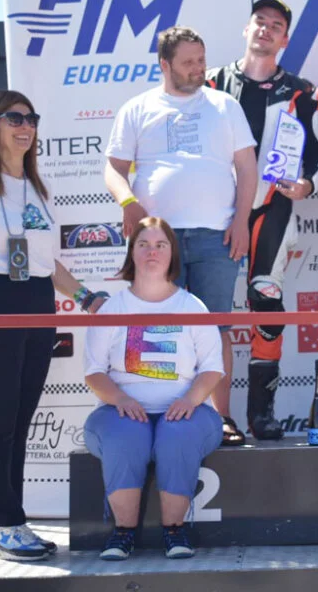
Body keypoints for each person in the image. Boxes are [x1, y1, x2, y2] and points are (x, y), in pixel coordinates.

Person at [0, 90, 108, 561]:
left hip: (37, 300)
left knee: (20, 419)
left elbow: (49, 263)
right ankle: (1, 523)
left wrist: (86, 297)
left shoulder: (37, 187)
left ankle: (13, 521)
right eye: (15, 118)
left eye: (32, 118)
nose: (26, 126)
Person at [105, 25, 257, 446]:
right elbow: (113, 169)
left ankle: (222, 418)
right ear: (165, 65)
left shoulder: (225, 106)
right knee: (155, 327)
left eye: (201, 60)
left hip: (216, 236)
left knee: (217, 328)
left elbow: (247, 168)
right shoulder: (138, 108)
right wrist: (128, 203)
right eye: (188, 62)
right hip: (156, 240)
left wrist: (242, 220)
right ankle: (153, 415)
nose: (198, 69)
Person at [206, 0, 318, 440]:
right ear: (247, 28)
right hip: (215, 210)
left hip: (271, 207)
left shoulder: (300, 91)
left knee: (267, 302)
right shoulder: (212, 82)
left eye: (276, 25)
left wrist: (307, 186)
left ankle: (262, 413)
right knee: (206, 312)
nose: (266, 29)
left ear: (285, 39)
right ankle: (210, 415)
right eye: (260, 21)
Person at [83, 217, 224, 561]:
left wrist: (190, 399)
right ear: (131, 252)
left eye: (161, 245)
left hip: (189, 410)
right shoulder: (113, 309)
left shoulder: (192, 306)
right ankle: (122, 534)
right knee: (126, 434)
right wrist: (121, 398)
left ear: (172, 253)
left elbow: (212, 368)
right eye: (143, 244)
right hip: (119, 410)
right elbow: (94, 372)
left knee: (177, 434)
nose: (152, 252)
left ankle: (175, 531)